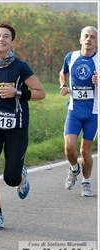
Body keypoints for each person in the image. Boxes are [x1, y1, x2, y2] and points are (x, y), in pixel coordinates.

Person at [0, 24, 46, 230]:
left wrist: (18, 93)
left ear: (13, 42)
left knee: (11, 179)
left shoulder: (21, 67)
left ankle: (20, 174)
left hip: (17, 126)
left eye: (6, 36)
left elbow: (41, 92)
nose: (1, 39)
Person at [59, 26, 98, 197]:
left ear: (97, 41)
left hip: (93, 113)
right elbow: (63, 73)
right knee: (69, 148)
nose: (89, 39)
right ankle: (74, 169)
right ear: (81, 39)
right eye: (86, 36)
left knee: (85, 151)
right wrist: (63, 86)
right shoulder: (71, 56)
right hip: (74, 110)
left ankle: (86, 183)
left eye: (92, 37)